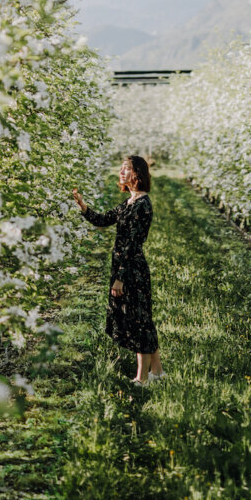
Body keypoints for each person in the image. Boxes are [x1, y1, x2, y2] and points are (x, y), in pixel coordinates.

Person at [72, 156, 163, 386]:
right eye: (121, 168)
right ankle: (158, 373)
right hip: (125, 266)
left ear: (138, 174)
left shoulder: (142, 205)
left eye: (127, 169)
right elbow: (103, 220)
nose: (121, 172)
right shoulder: (129, 202)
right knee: (142, 318)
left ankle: (142, 378)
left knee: (138, 321)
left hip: (132, 269)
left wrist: (120, 279)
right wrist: (83, 206)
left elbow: (132, 245)